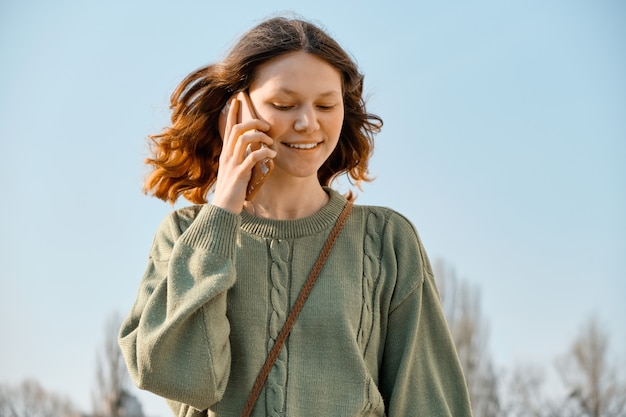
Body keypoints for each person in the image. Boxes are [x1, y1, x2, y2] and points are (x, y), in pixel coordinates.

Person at [118, 16, 473, 417]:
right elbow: (177, 377)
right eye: (284, 105)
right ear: (238, 110)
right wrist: (223, 209)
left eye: (326, 104)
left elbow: (431, 405)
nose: (307, 123)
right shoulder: (184, 235)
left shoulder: (388, 241)